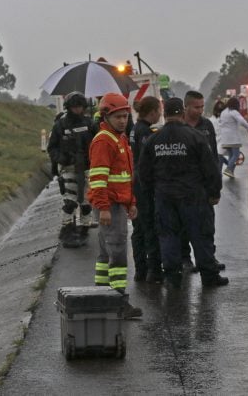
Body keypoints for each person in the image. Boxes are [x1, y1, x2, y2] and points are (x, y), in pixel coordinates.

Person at [138, 97, 228, 288]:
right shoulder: (195, 137)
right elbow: (210, 168)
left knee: (168, 236)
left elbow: (143, 172)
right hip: (193, 196)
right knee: (200, 235)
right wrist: (214, 192)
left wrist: (150, 193)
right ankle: (209, 276)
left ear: (165, 113)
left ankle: (172, 277)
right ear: (182, 112)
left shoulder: (154, 139)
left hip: (164, 197)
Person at [88, 93, 142, 318]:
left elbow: (125, 176)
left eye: (125, 116)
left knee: (104, 253)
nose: (123, 121)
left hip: (117, 204)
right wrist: (103, 208)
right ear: (106, 117)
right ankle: (118, 300)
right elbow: (99, 178)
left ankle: (102, 297)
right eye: (118, 117)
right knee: (117, 252)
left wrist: (131, 202)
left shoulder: (119, 139)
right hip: (109, 205)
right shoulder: (104, 140)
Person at [180, 91, 223, 272]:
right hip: (183, 186)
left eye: (202, 107)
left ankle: (208, 259)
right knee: (183, 225)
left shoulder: (207, 125)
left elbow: (213, 155)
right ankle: (185, 259)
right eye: (196, 107)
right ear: (186, 107)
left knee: (207, 226)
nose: (200, 110)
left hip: (204, 186)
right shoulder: (179, 126)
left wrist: (214, 186)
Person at [47, 91, 95, 248]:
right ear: (69, 107)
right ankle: (67, 230)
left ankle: (84, 229)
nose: (78, 110)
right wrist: (62, 158)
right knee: (70, 202)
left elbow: (98, 143)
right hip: (69, 167)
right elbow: (52, 147)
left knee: (87, 202)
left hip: (88, 167)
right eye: (75, 107)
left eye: (80, 107)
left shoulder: (89, 124)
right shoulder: (60, 125)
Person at [129, 96, 163, 283]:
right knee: (148, 227)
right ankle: (153, 271)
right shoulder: (145, 133)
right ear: (152, 112)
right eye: (159, 110)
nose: (160, 114)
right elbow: (147, 161)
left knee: (138, 229)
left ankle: (140, 270)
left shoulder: (135, 129)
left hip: (136, 185)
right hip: (144, 186)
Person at [219, 96, 248, 178]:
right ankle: (229, 169)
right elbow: (242, 122)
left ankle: (231, 172)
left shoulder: (223, 112)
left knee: (231, 155)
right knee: (236, 155)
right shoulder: (233, 112)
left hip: (225, 138)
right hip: (233, 138)